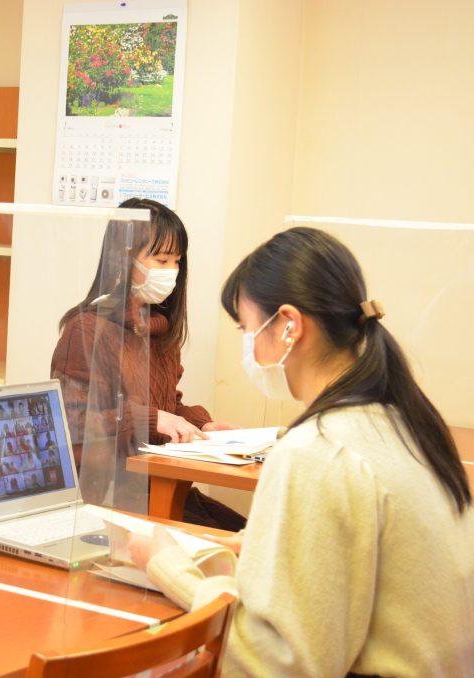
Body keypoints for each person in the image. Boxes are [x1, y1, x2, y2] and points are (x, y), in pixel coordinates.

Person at [132, 227, 474, 675]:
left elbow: (278, 664)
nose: (249, 346)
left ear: (289, 326)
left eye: (248, 329)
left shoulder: (317, 452)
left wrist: (169, 569)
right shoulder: (404, 421)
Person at [51, 198, 242, 529]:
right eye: (161, 260)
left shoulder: (159, 329)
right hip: (108, 498)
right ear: (122, 259)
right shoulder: (87, 330)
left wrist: (201, 425)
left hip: (156, 487)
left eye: (177, 261)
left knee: (247, 535)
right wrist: (151, 419)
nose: (171, 271)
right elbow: (74, 424)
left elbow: (167, 406)